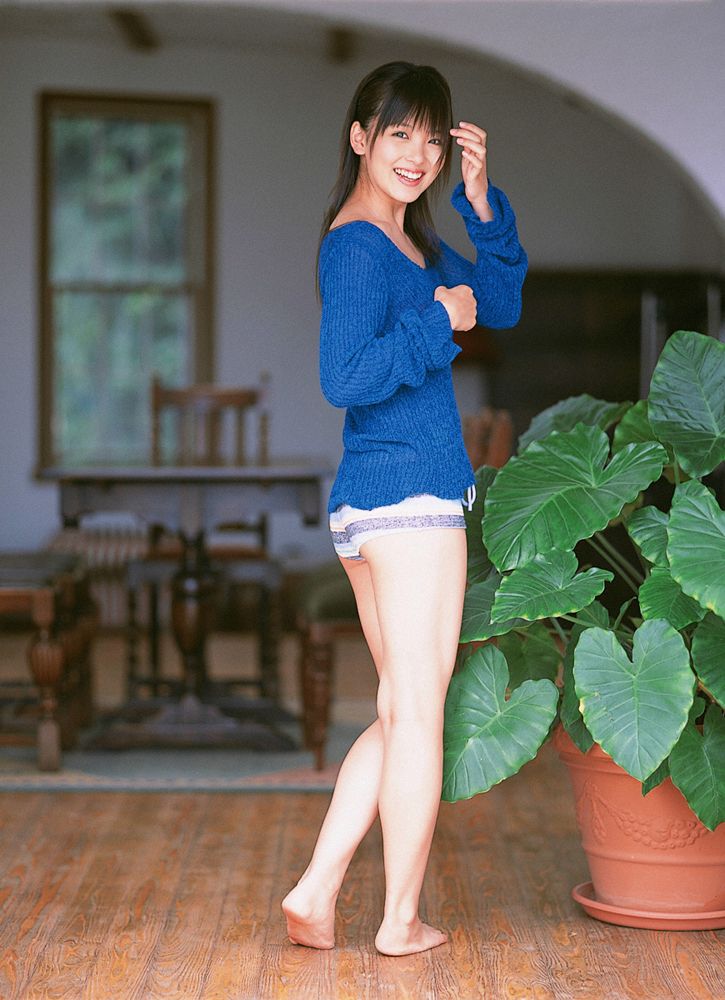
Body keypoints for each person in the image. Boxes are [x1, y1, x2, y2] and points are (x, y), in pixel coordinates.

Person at [282, 60, 527, 957]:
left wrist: (480, 204)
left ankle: (316, 890)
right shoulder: (356, 246)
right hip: (408, 501)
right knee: (420, 715)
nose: (417, 154)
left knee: (399, 710)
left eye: (431, 139)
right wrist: (437, 321)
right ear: (360, 138)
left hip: (379, 506)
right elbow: (343, 376)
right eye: (398, 134)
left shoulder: (410, 242)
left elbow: (498, 302)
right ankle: (397, 921)